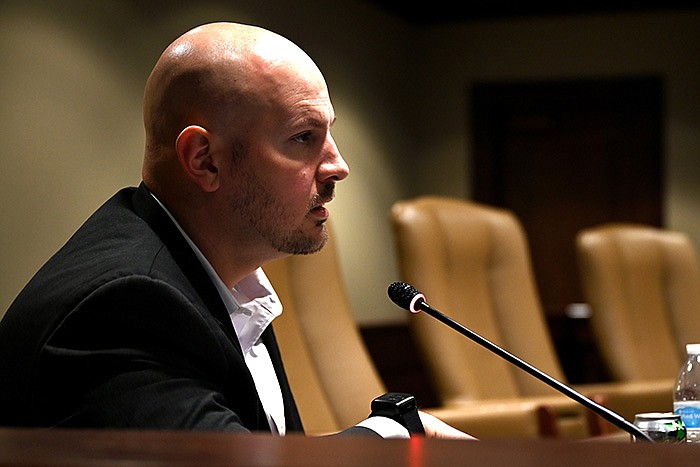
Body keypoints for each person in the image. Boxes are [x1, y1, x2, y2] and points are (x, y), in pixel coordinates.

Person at [0, 22, 472, 440]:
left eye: (328, 133)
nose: (338, 166)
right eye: (304, 137)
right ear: (205, 160)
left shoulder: (227, 282)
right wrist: (396, 432)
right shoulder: (125, 306)